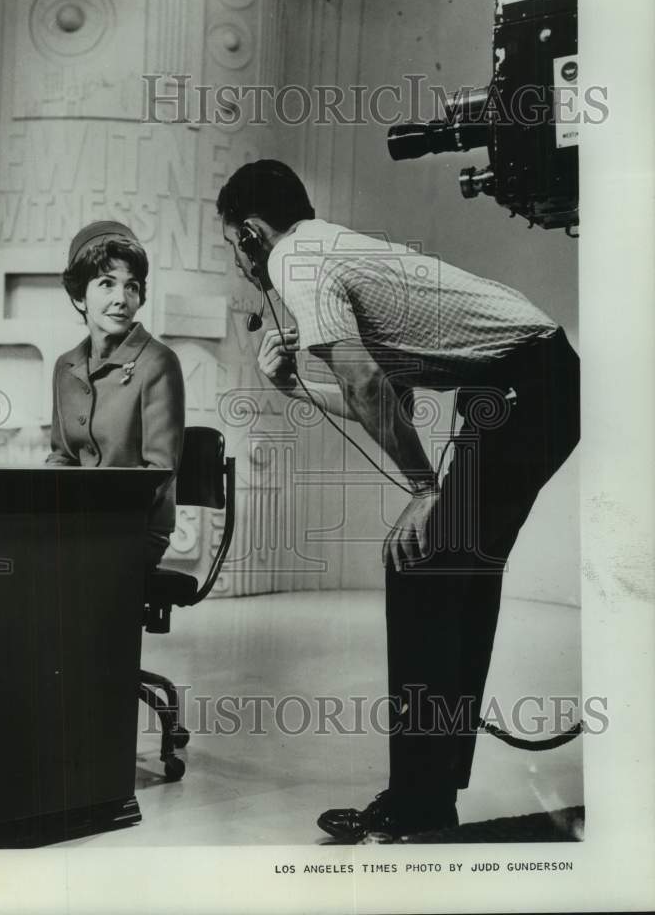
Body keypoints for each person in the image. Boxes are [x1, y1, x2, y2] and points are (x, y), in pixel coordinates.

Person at [217, 160, 580, 843]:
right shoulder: (328, 248)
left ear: (249, 234)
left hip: (529, 392)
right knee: (448, 572)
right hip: (534, 389)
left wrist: (423, 487)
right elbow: (392, 399)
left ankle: (422, 798)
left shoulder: (297, 257)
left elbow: (363, 382)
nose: (240, 264)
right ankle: (429, 793)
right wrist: (295, 390)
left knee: (422, 564)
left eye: (234, 246)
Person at [47, 220, 185, 570]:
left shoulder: (159, 363)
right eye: (106, 284)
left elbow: (160, 470)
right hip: (82, 524)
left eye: (131, 287)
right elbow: (62, 458)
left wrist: (93, 521)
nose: (121, 299)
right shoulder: (65, 368)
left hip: (137, 527)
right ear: (79, 296)